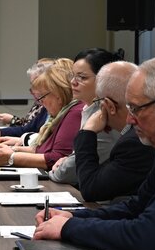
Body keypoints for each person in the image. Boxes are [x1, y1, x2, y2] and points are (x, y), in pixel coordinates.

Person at [34, 56, 155, 250]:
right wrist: (73, 217)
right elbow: (136, 207)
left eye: (135, 109)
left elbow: (148, 238)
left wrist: (69, 228)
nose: (129, 119)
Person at [72, 61, 155, 202]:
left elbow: (91, 189)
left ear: (109, 106)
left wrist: (87, 132)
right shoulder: (137, 135)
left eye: (98, 101)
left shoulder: (135, 141)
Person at [49, 48, 124, 184]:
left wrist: (56, 170)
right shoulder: (88, 107)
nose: (73, 82)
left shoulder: (104, 114)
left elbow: (68, 173)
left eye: (82, 77)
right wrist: (67, 160)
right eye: (73, 76)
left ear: (103, 80)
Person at [0, 64, 84, 170]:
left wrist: (11, 157)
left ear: (58, 96)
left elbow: (56, 158)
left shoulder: (74, 113)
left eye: (41, 97)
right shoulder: (60, 115)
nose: (41, 103)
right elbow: (42, 150)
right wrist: (12, 150)